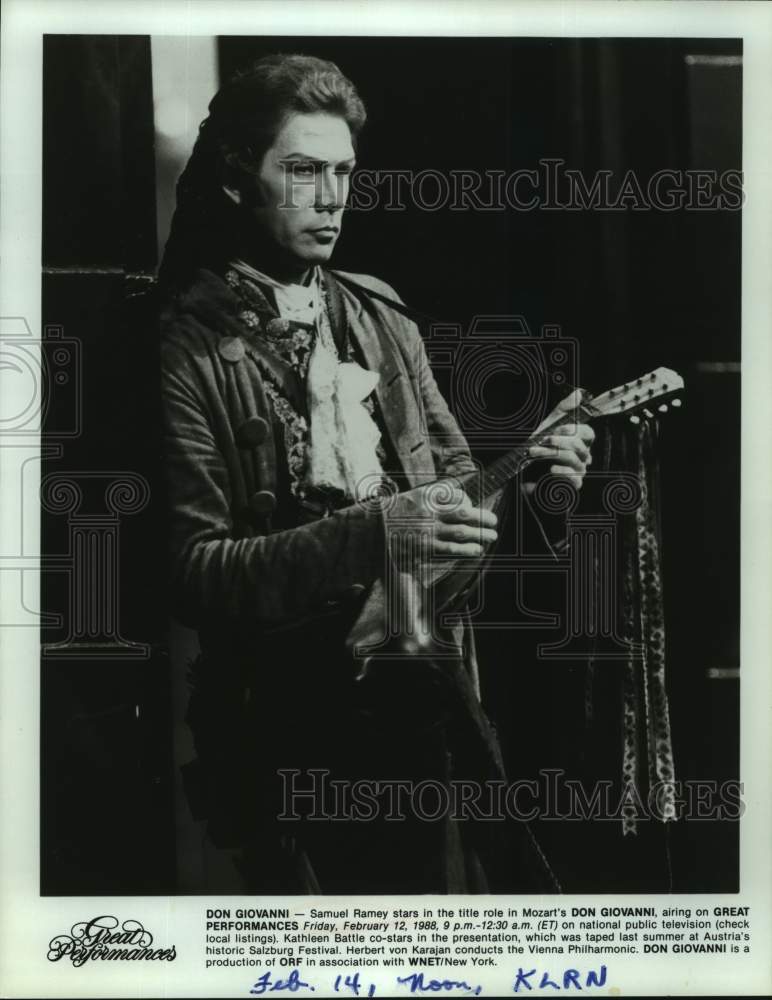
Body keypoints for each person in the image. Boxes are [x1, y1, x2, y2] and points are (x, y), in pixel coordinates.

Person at [159, 53, 594, 893]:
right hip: (279, 734)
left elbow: (456, 496)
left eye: (344, 173)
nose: (331, 198)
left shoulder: (380, 316)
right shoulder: (184, 347)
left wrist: (536, 486)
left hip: (418, 707)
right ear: (237, 178)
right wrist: (375, 532)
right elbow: (191, 573)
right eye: (303, 170)